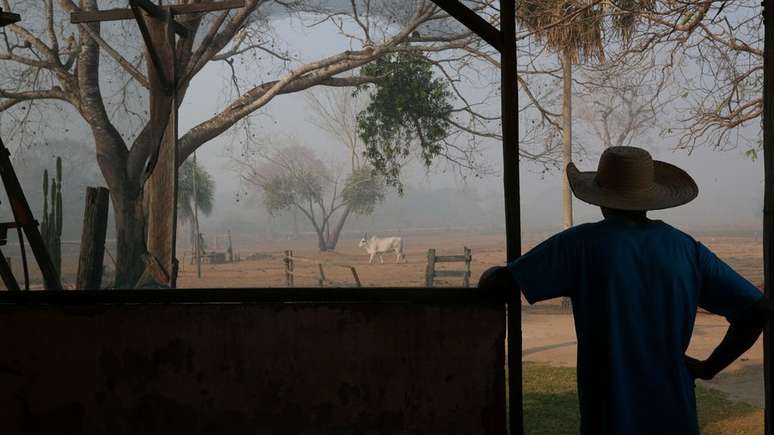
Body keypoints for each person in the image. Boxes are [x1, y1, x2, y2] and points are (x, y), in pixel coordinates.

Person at [478, 146, 772, 435]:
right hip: (675, 415)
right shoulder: (687, 250)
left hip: (608, 416)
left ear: (601, 199)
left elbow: (499, 284)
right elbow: (756, 310)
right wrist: (710, 366)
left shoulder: (580, 245)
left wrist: (493, 272)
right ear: (650, 197)